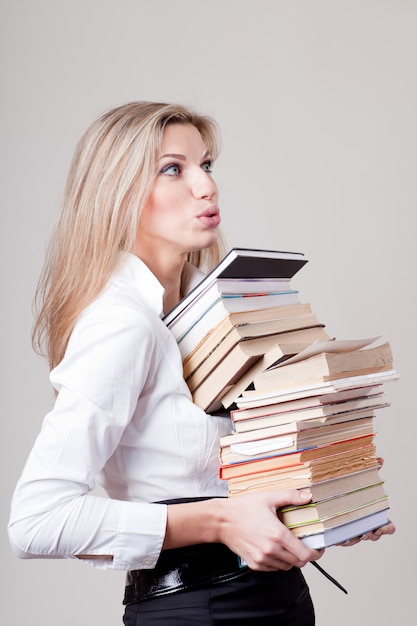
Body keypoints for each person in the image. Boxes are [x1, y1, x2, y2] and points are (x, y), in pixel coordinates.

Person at [8, 101, 395, 625]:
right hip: (198, 608)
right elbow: (37, 520)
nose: (206, 187)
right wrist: (220, 522)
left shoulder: (222, 314)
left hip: (280, 596)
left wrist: (327, 495)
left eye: (205, 165)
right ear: (117, 193)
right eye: (173, 169)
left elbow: (229, 481)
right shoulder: (121, 324)